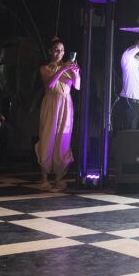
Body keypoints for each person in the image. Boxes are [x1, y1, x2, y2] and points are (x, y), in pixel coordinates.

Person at [37, 38, 78, 189]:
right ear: (50, 51)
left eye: (61, 50)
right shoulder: (45, 68)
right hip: (51, 103)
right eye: (56, 50)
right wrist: (62, 69)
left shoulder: (67, 68)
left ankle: (59, 177)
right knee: (47, 138)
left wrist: (75, 73)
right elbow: (49, 83)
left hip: (66, 104)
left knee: (63, 139)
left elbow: (78, 86)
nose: (59, 53)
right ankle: (44, 178)